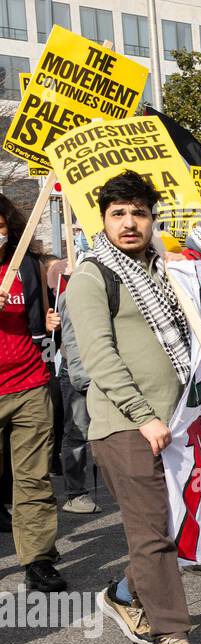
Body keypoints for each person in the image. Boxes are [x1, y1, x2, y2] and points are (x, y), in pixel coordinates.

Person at [64, 171, 201, 644]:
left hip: (179, 419)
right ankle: (171, 634)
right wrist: (142, 416)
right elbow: (99, 358)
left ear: (151, 219)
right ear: (103, 219)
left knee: (176, 525)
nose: (129, 222)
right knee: (151, 532)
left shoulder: (166, 271)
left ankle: (125, 592)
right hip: (125, 425)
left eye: (139, 213)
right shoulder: (91, 275)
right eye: (118, 213)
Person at [0, 193, 63, 592]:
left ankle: (38, 559)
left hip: (29, 385)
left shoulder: (22, 265)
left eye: (1, 227)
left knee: (34, 480)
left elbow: (54, 277)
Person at [50, 256, 99, 514]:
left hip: (102, 373)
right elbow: (72, 339)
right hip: (80, 374)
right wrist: (83, 377)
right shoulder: (71, 296)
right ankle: (75, 493)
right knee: (78, 432)